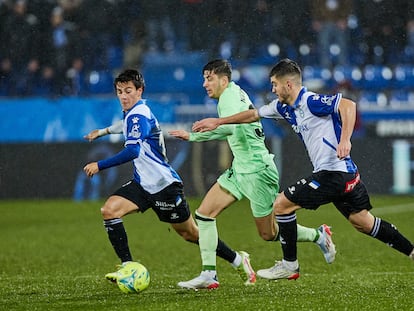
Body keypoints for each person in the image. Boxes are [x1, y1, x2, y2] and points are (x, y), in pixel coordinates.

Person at [192, 58, 414, 280]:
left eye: (275, 84)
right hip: (345, 174)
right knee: (363, 222)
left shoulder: (310, 101)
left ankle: (290, 265)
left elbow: (348, 105)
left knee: (281, 205)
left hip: (334, 172)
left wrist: (345, 140)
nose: (273, 89)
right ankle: (411, 251)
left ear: (288, 84)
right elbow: (253, 114)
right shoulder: (283, 107)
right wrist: (218, 122)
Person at [168, 59, 336, 289]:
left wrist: (203, 130)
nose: (205, 84)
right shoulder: (234, 93)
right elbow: (231, 128)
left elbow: (229, 127)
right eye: (204, 78)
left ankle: (319, 236)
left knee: (268, 234)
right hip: (241, 169)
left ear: (223, 80)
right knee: (205, 214)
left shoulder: (228, 98)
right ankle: (209, 274)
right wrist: (194, 136)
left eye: (209, 78)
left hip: (258, 171)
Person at [83, 69, 256, 286]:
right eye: (119, 91)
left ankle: (238, 260)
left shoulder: (139, 115)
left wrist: (100, 165)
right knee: (110, 210)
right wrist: (102, 132)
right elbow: (124, 126)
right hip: (142, 185)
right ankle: (128, 266)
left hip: (164, 186)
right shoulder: (133, 113)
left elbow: (133, 152)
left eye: (128, 91)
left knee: (191, 234)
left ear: (139, 91)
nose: (123, 96)